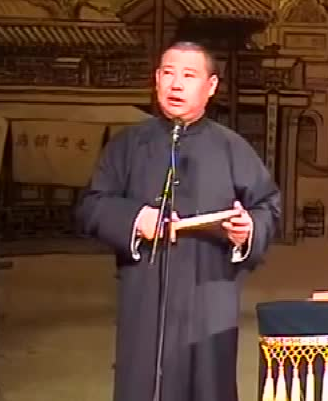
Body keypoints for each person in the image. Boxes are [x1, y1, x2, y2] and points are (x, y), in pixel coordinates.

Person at [76, 41, 281, 401]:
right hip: (145, 294)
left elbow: (268, 207)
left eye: (188, 75)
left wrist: (248, 230)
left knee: (207, 386)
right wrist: (135, 218)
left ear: (211, 86)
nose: (176, 84)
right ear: (156, 79)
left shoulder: (231, 148)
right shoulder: (128, 144)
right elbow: (91, 205)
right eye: (168, 73)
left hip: (209, 294)